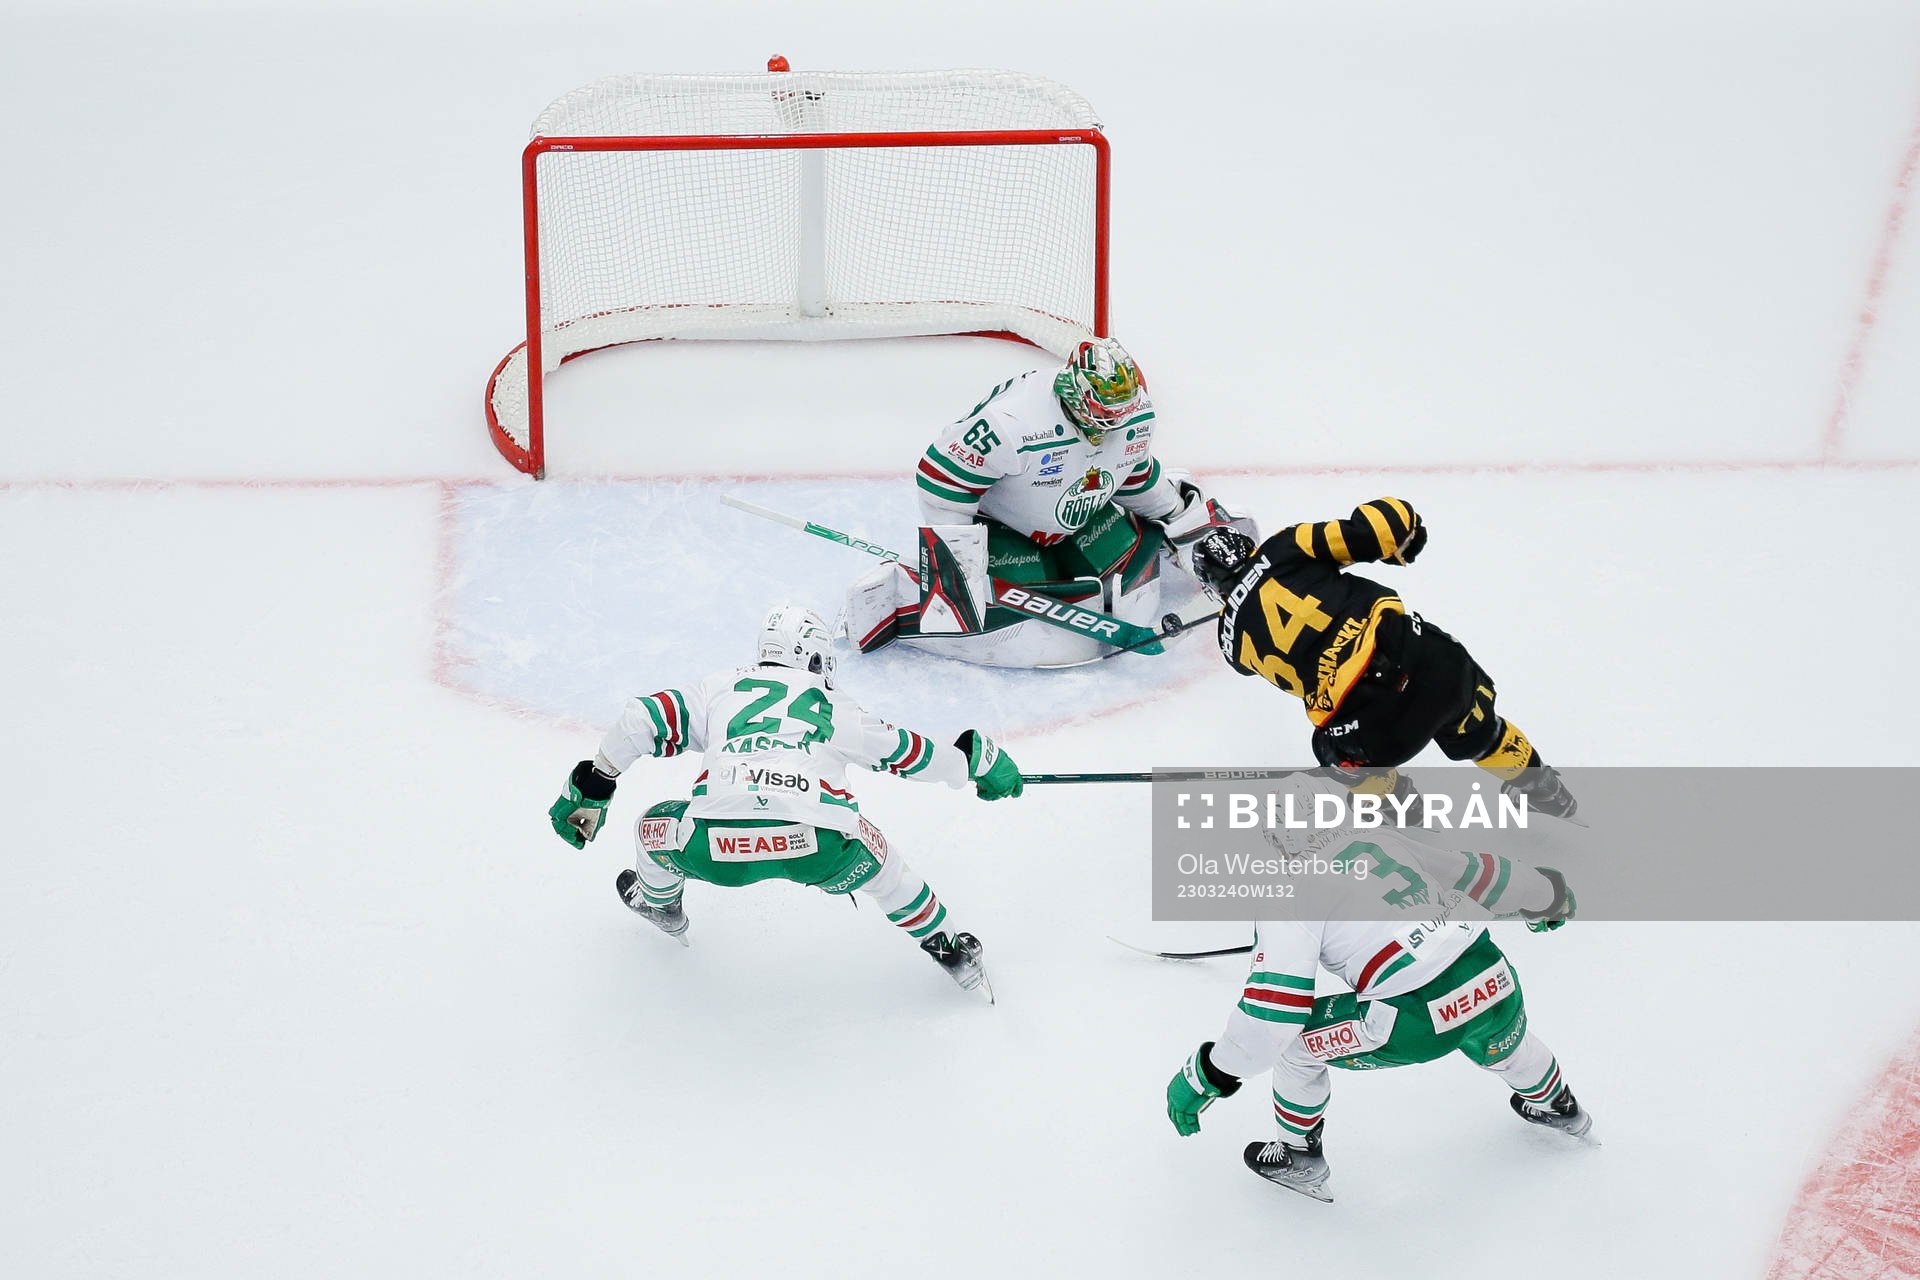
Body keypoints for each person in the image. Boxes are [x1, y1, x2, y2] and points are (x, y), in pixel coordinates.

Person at [545, 603, 1024, 996]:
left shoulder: (717, 688)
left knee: (651, 827)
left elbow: (639, 720)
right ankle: (950, 949)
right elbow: (907, 752)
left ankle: (661, 907)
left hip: (715, 846)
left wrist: (595, 783)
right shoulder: (836, 706)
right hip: (818, 846)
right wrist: (972, 765)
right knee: (885, 866)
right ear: (813, 658)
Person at [1163, 775, 1589, 1201]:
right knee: (1504, 1040)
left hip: (1413, 1018)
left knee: (1296, 1049)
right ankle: (1558, 1105)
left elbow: (1274, 1015)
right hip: (1490, 973)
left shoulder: (1288, 893)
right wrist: (1547, 894)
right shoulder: (1385, 840)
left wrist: (1209, 1074)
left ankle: (1299, 1156)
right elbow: (1475, 873)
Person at [843, 338, 1254, 667]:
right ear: (1076, 394)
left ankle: (1174, 510)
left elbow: (1130, 469)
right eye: (1106, 411)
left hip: (1080, 509)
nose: (1116, 422)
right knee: (1050, 623)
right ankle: (901, 595)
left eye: (1123, 411)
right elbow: (940, 483)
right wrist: (955, 566)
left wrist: (1179, 518)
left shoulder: (1135, 413)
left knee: (1121, 588)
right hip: (1001, 522)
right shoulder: (1013, 424)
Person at [1189, 503, 1578, 818]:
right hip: (1425, 660)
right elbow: (1383, 526)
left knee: (1332, 752)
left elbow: (1259, 647)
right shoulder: (1283, 547)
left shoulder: (1229, 641)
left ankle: (1403, 812)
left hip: (1372, 725)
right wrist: (1405, 538)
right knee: (1478, 728)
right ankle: (1545, 790)